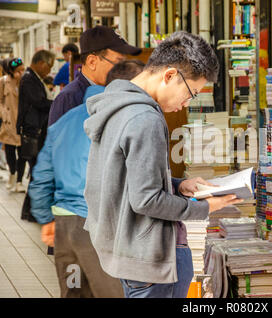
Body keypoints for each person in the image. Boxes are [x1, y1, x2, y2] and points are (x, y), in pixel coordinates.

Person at [83, 31, 243, 299]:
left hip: (126, 250)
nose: (186, 103)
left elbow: (124, 177)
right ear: (169, 76)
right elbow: (147, 199)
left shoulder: (116, 106)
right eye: (191, 93)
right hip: (152, 261)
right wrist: (204, 207)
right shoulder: (145, 118)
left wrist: (180, 186)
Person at [28, 60, 145, 298]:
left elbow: (41, 177)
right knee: (111, 293)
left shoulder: (65, 121)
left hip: (64, 230)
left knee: (74, 292)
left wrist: (46, 219)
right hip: (97, 230)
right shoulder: (121, 119)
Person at [48, 26, 141, 127]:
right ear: (92, 62)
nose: (123, 70)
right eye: (118, 63)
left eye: (125, 63)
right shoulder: (69, 99)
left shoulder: (116, 92)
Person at [17, 50, 55, 222]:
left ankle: (31, 211)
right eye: (49, 67)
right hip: (33, 132)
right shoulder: (29, 79)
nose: (49, 71)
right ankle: (31, 211)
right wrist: (57, 104)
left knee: (36, 171)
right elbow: (39, 102)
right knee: (37, 171)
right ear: (41, 63)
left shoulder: (33, 78)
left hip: (36, 130)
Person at [0, 58, 26, 192]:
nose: (20, 73)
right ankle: (12, 173)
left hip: (22, 122)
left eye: (22, 70)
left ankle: (20, 181)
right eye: (18, 71)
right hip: (9, 122)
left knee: (22, 153)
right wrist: (3, 114)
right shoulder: (4, 81)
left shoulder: (26, 81)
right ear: (11, 71)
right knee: (10, 152)